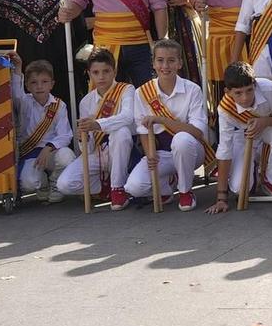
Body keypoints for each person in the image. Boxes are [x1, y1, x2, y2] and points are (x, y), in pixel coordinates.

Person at [122, 38, 211, 211]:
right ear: (153, 63)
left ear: (179, 63)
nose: (165, 66)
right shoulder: (143, 92)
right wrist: (150, 155)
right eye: (160, 60)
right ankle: (168, 183)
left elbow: (198, 133)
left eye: (171, 61)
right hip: (162, 152)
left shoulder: (193, 89)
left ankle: (185, 191)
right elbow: (142, 130)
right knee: (134, 187)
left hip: (191, 150)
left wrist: (162, 120)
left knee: (182, 140)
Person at [213, 61, 272, 208]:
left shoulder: (269, 88)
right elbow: (225, 150)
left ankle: (270, 181)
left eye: (249, 90)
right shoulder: (225, 109)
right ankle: (254, 166)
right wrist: (221, 198)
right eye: (238, 93)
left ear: (255, 85)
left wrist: (264, 122)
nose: (245, 98)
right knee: (240, 189)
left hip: (269, 126)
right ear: (228, 92)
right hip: (243, 135)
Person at [57, 47, 134, 205]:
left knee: (121, 132)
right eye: (96, 72)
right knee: (64, 184)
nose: (101, 77)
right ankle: (102, 188)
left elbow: (127, 117)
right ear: (89, 73)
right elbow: (89, 148)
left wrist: (97, 124)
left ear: (114, 70)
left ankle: (118, 188)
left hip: (123, 150)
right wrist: (82, 138)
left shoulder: (127, 90)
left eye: (106, 71)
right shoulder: (86, 101)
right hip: (98, 153)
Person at [14, 59, 74, 201]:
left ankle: (55, 183)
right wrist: (18, 68)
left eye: (44, 81)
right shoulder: (24, 102)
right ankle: (43, 185)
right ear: (27, 85)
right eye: (34, 82)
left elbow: (65, 135)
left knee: (67, 156)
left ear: (52, 84)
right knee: (28, 183)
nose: (39, 86)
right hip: (30, 153)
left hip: (51, 152)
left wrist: (48, 148)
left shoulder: (59, 105)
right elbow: (16, 93)